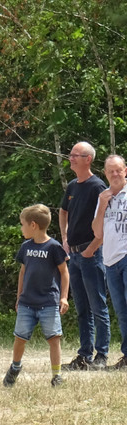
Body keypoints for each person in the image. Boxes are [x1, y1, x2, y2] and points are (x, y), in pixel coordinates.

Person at [4, 204, 70, 387]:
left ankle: (56, 375)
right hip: (27, 303)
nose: (21, 228)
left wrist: (63, 297)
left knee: (54, 339)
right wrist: (19, 296)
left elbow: (65, 273)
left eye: (22, 224)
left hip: (48, 302)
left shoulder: (54, 247)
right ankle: (15, 367)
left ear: (33, 225)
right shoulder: (26, 247)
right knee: (20, 338)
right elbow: (23, 273)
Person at [60, 141, 110, 370]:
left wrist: (93, 247)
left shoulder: (96, 186)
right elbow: (63, 211)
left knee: (97, 306)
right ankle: (84, 355)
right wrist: (64, 238)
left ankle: (102, 355)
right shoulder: (72, 186)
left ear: (88, 159)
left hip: (92, 254)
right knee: (82, 309)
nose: (70, 158)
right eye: (70, 155)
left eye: (75, 155)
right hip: (75, 256)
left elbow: (105, 220)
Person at [92, 155, 127, 370]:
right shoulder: (102, 197)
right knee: (121, 312)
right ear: (105, 174)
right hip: (110, 260)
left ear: (125, 171)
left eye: (118, 170)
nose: (115, 174)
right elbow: (97, 232)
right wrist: (103, 204)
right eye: (110, 171)